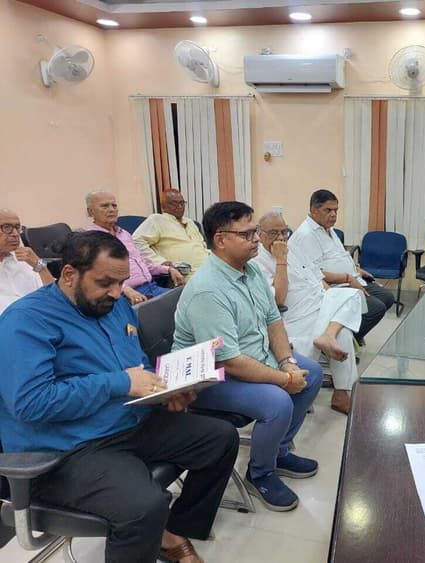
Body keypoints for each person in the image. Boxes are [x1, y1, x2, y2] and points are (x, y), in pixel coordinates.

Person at [0, 231, 239, 563]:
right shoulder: (25, 321)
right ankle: (152, 529)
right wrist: (121, 383)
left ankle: (172, 532)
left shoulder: (115, 306)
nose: (116, 292)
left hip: (130, 421)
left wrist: (164, 391)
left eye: (121, 282)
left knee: (221, 439)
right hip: (68, 447)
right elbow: (31, 403)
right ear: (69, 274)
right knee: (143, 508)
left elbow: (136, 364)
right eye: (105, 283)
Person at [173, 201, 323, 512]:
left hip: (251, 357)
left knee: (312, 374)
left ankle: (278, 451)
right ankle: (260, 473)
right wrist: (284, 379)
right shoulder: (208, 290)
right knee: (278, 401)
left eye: (255, 232)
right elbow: (229, 361)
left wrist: (288, 363)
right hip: (208, 379)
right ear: (220, 239)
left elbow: (273, 320)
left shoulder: (250, 270)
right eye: (247, 234)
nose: (257, 239)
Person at [254, 211, 366, 415]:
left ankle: (330, 342)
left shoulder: (294, 249)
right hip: (294, 313)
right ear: (260, 234)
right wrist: (281, 260)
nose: (280, 238)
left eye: (284, 232)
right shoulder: (256, 261)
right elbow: (278, 299)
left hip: (318, 303)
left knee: (352, 298)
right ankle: (340, 390)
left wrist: (332, 299)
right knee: (343, 329)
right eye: (273, 233)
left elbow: (316, 277)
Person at [288, 189, 395, 344]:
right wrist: (347, 278)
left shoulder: (328, 229)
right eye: (328, 210)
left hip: (352, 278)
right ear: (314, 210)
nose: (333, 215)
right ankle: (344, 341)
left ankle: (353, 335)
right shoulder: (306, 235)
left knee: (387, 297)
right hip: (334, 285)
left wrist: (357, 270)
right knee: (375, 308)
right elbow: (313, 273)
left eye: (336, 210)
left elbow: (338, 256)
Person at [85, 190, 185, 305]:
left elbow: (143, 264)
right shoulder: (90, 240)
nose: (111, 209)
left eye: (114, 205)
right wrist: (124, 289)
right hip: (123, 296)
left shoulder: (124, 234)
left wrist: (168, 269)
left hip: (151, 287)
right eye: (105, 206)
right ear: (90, 211)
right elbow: (95, 277)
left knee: (184, 300)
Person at [133, 189, 210, 277]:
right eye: (174, 203)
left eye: (182, 203)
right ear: (163, 206)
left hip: (208, 268)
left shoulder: (190, 222)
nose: (180, 206)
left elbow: (202, 245)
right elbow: (136, 241)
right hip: (186, 274)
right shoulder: (156, 220)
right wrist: (159, 262)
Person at [0, 208, 54, 314]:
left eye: (17, 227)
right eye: (7, 227)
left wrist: (40, 265)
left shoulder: (26, 258)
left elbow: (54, 295)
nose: (15, 234)